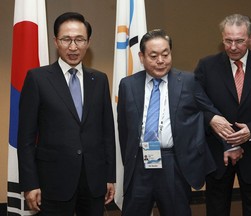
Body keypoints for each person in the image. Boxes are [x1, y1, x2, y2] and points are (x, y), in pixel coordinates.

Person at [117, 29, 226, 216]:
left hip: (173, 163)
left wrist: (229, 143)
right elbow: (124, 128)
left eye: (165, 54)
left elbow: (209, 111)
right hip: (139, 164)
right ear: (141, 57)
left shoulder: (188, 81)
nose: (160, 60)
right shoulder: (128, 85)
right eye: (153, 56)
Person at [17, 12, 116, 216]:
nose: (73, 47)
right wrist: (30, 183)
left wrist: (109, 176)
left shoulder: (99, 80)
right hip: (53, 182)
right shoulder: (37, 79)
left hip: (93, 180)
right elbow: (25, 137)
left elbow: (107, 133)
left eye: (79, 39)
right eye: (66, 39)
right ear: (55, 41)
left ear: (88, 42)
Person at [194, 14, 251, 216]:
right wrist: (211, 119)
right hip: (217, 153)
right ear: (222, 38)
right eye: (228, 40)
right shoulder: (206, 66)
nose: (233, 47)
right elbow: (195, 104)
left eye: (239, 41)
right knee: (216, 208)